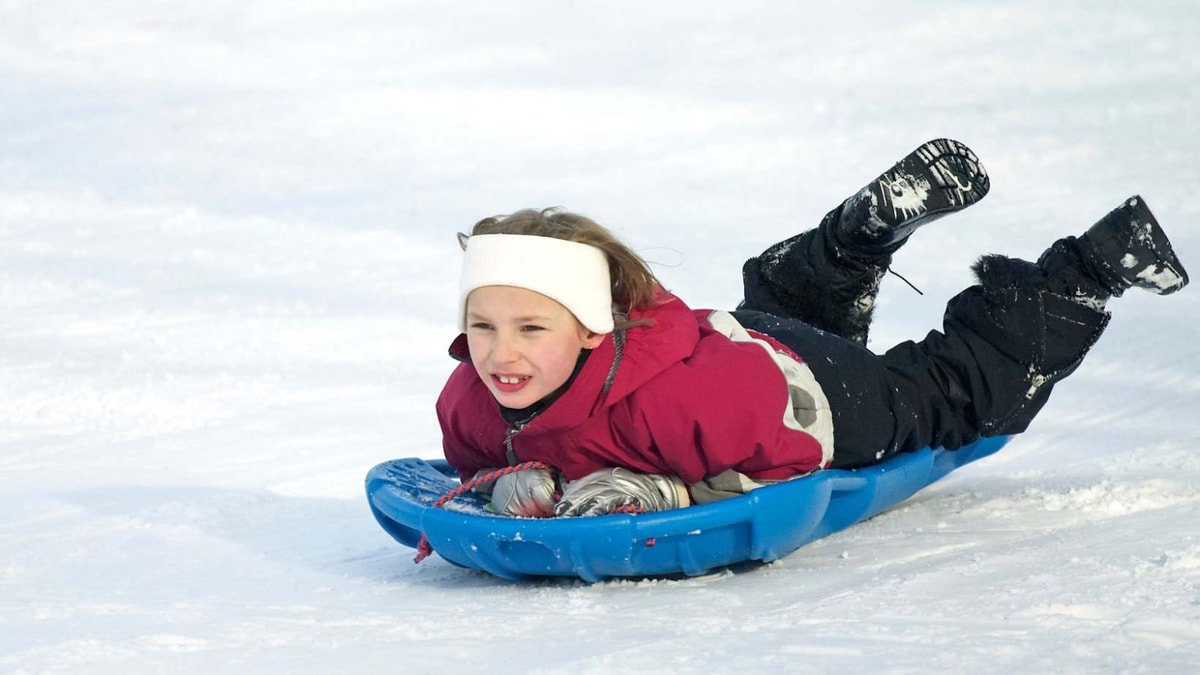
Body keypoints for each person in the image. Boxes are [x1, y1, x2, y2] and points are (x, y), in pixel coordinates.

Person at [435, 139, 1189, 519]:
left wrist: (666, 492)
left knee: (950, 396)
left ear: (597, 327)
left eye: (532, 326)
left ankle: (1090, 266)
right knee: (781, 315)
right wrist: (515, 481)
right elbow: (472, 466)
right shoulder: (468, 401)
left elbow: (789, 472)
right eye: (482, 326)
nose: (501, 353)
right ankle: (847, 247)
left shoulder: (671, 412)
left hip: (806, 403)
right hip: (734, 338)